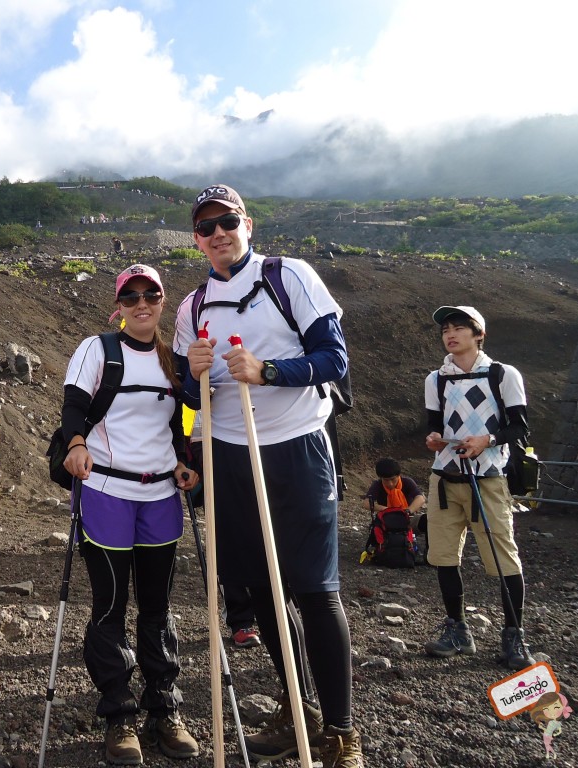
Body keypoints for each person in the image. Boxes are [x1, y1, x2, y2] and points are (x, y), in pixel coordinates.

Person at [174, 184, 362, 767]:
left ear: (247, 224)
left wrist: (268, 369)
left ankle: (341, 733)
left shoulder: (290, 277)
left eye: (227, 221)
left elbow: (334, 358)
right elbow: (184, 389)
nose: (217, 233)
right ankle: (297, 708)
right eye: (205, 227)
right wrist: (192, 372)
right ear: (197, 239)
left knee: (313, 589)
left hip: (296, 447)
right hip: (229, 453)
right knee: (257, 588)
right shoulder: (192, 307)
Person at [61, 263, 200, 765]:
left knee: (158, 604)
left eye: (152, 294)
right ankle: (119, 715)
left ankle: (164, 708)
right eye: (131, 295)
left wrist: (186, 462)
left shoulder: (171, 359)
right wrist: (76, 444)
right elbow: (73, 406)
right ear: (118, 304)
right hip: (105, 492)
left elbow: (178, 423)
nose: (142, 303)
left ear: (164, 300)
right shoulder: (97, 349)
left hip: (161, 495)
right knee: (111, 604)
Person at [423, 305, 536, 670]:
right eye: (445, 330)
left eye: (459, 328)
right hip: (445, 477)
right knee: (442, 556)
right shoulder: (436, 379)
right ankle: (457, 629)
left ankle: (513, 635)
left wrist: (486, 439)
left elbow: (519, 428)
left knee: (503, 558)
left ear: (478, 334)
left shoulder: (503, 375)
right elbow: (433, 426)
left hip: (487, 478)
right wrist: (435, 439)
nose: (450, 335)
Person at [186, 409, 261, 649]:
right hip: (223, 470)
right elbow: (196, 436)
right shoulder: (213, 382)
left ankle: (275, 614)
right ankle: (241, 620)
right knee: (229, 546)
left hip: (267, 466)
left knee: (268, 545)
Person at [362, 457, 426, 516]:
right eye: (386, 480)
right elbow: (366, 503)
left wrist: (408, 511)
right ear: (381, 477)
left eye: (393, 479)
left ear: (398, 475)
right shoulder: (378, 485)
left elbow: (420, 498)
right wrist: (388, 510)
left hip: (409, 516)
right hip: (387, 518)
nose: (390, 484)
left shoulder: (407, 482)